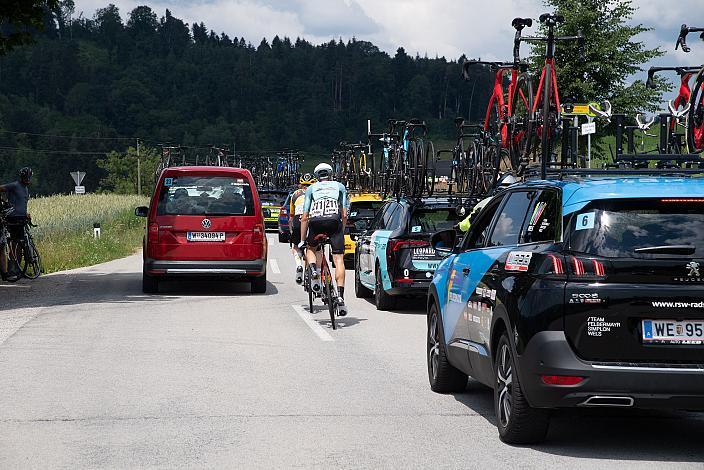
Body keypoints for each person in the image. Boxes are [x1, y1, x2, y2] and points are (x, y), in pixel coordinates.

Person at [299, 163, 349, 316]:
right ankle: (340, 297)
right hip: (334, 221)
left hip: (316, 222)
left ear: (316, 176)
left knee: (311, 248)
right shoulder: (340, 186)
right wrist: (341, 230)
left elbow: (305, 217)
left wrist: (302, 240)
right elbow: (345, 214)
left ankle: (314, 269)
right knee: (339, 260)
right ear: (331, 174)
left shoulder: (311, 189)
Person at [0, 167, 32, 280]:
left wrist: (26, 213)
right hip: (13, 219)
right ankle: (14, 268)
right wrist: (4, 203)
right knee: (15, 244)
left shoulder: (26, 188)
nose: (27, 179)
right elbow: (2, 188)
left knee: (21, 244)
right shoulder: (14, 185)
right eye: (25, 177)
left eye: (28, 177)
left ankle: (19, 269)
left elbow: (21, 203)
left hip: (22, 218)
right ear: (22, 177)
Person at [289, 174, 316, 284]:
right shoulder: (315, 193)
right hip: (311, 219)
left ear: (300, 185)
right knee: (313, 248)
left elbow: (291, 217)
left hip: (297, 219)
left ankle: (299, 265)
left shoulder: (295, 194)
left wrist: (291, 231)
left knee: (296, 246)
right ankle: (315, 274)